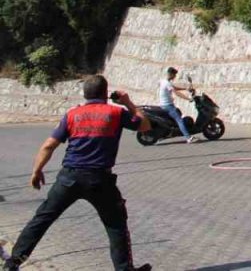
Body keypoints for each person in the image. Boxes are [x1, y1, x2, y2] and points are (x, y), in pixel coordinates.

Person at [2, 74, 151, 271]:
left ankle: (13, 263)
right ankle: (124, 269)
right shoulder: (116, 112)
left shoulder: (73, 114)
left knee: (42, 219)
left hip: (68, 178)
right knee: (116, 224)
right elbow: (145, 126)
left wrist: (36, 171)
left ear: (85, 94)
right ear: (106, 93)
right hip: (100, 180)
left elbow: (48, 145)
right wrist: (128, 103)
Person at [159, 66, 195, 143]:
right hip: (168, 106)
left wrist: (185, 88)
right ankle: (188, 138)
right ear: (171, 74)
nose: (175, 77)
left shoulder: (163, 81)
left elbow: (174, 88)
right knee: (179, 120)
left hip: (164, 105)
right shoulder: (167, 83)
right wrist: (188, 99)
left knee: (177, 116)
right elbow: (176, 93)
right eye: (174, 75)